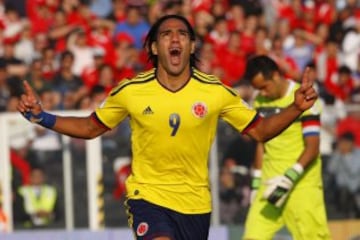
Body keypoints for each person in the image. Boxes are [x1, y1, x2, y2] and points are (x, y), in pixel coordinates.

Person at [17, 15, 318, 240]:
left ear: (191, 45)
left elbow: (261, 132)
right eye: (166, 35)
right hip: (148, 197)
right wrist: (42, 116)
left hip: (195, 203)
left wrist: (296, 107)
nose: (175, 39)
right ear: (154, 46)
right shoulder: (131, 90)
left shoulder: (215, 91)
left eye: (182, 34)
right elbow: (91, 126)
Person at [243, 55, 331, 240]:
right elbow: (261, 142)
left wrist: (289, 179)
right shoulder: (259, 101)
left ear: (275, 75)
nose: (262, 93)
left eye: (264, 87)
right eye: (258, 89)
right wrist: (256, 182)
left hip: (301, 183)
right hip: (269, 184)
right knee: (252, 236)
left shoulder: (304, 96)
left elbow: (313, 147)